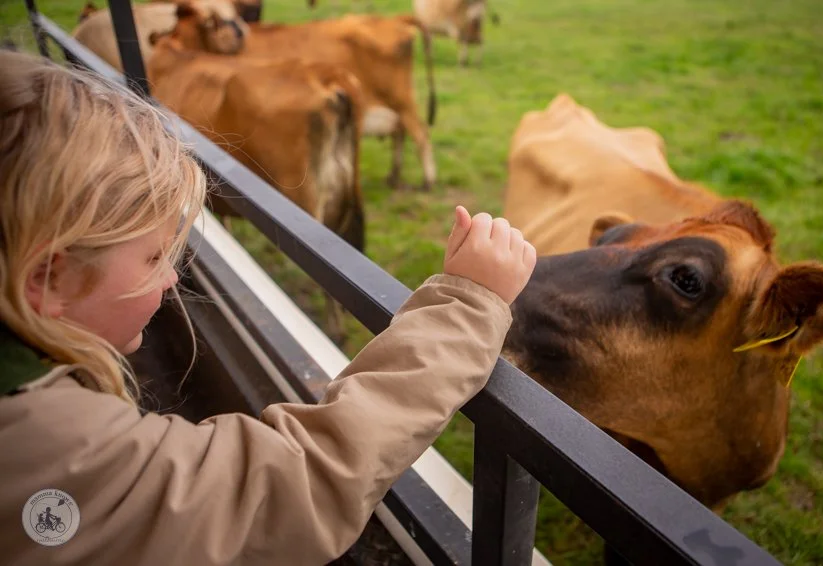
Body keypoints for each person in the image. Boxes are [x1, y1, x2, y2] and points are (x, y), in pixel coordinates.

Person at [0, 50, 536, 564]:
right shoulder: (51, 447)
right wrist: (466, 304)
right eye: (154, 257)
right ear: (47, 277)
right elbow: (301, 480)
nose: (171, 278)